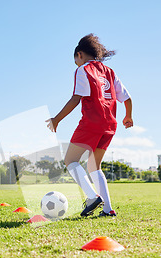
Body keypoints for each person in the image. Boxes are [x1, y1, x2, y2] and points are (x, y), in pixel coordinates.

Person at [46, 34, 133, 217]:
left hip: (92, 121)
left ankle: (93, 197)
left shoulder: (83, 70)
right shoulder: (109, 71)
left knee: (70, 161)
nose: (76, 64)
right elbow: (127, 97)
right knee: (95, 166)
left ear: (80, 54)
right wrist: (128, 116)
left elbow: (76, 99)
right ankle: (108, 210)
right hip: (110, 124)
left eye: (75, 61)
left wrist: (56, 119)